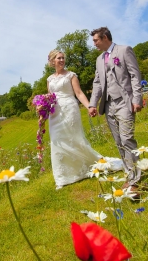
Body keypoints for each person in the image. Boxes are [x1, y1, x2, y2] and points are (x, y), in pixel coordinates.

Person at [46, 49, 123, 189]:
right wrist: (43, 107)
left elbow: (79, 93)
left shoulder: (71, 75)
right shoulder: (49, 79)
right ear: (52, 61)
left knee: (74, 139)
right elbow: (50, 96)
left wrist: (89, 106)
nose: (62, 60)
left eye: (63, 58)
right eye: (59, 58)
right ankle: (63, 177)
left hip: (69, 109)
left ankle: (87, 165)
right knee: (57, 141)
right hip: (54, 114)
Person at [88, 27, 143, 192]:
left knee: (127, 139)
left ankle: (134, 181)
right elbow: (97, 83)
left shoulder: (124, 50)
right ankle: (129, 174)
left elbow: (135, 75)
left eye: (96, 40)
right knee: (119, 142)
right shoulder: (99, 59)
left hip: (124, 102)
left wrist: (137, 99)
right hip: (108, 105)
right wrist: (93, 104)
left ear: (105, 37)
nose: (94, 44)